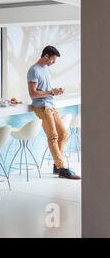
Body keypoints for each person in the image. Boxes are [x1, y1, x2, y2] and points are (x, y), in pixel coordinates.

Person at [27, 45, 81, 179]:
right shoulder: (33, 70)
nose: (54, 62)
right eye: (53, 59)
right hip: (42, 107)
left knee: (63, 133)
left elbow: (45, 89)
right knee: (53, 136)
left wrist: (55, 91)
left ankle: (58, 166)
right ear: (46, 56)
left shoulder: (46, 69)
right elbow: (33, 94)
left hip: (51, 105)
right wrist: (51, 92)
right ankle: (62, 167)